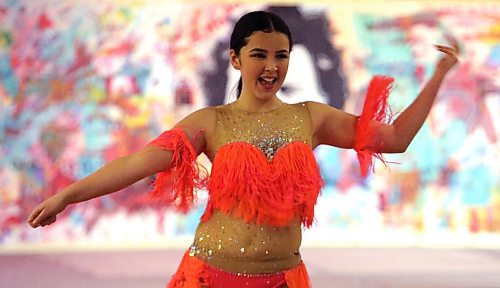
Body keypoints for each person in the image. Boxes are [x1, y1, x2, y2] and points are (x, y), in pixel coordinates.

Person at [27, 10, 460, 288]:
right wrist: (67, 195)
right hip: (209, 277)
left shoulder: (311, 117)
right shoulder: (212, 123)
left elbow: (395, 139)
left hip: (284, 279)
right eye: (259, 55)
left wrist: (439, 75)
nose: (271, 66)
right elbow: (136, 164)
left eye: (281, 55)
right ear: (236, 59)